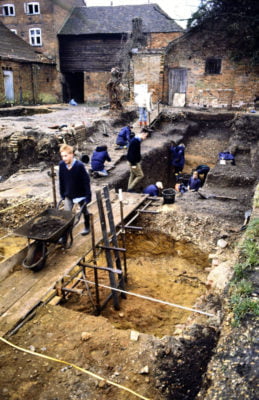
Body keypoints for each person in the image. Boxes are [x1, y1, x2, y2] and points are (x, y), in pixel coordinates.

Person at [59, 144, 91, 236]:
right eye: (62, 156)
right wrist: (62, 193)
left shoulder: (79, 166)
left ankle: (87, 226)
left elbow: (86, 181)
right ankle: (65, 236)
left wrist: (88, 196)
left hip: (80, 194)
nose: (64, 158)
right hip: (69, 194)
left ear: (72, 154)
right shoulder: (62, 165)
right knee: (66, 215)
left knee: (84, 210)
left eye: (66, 156)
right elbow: (61, 180)